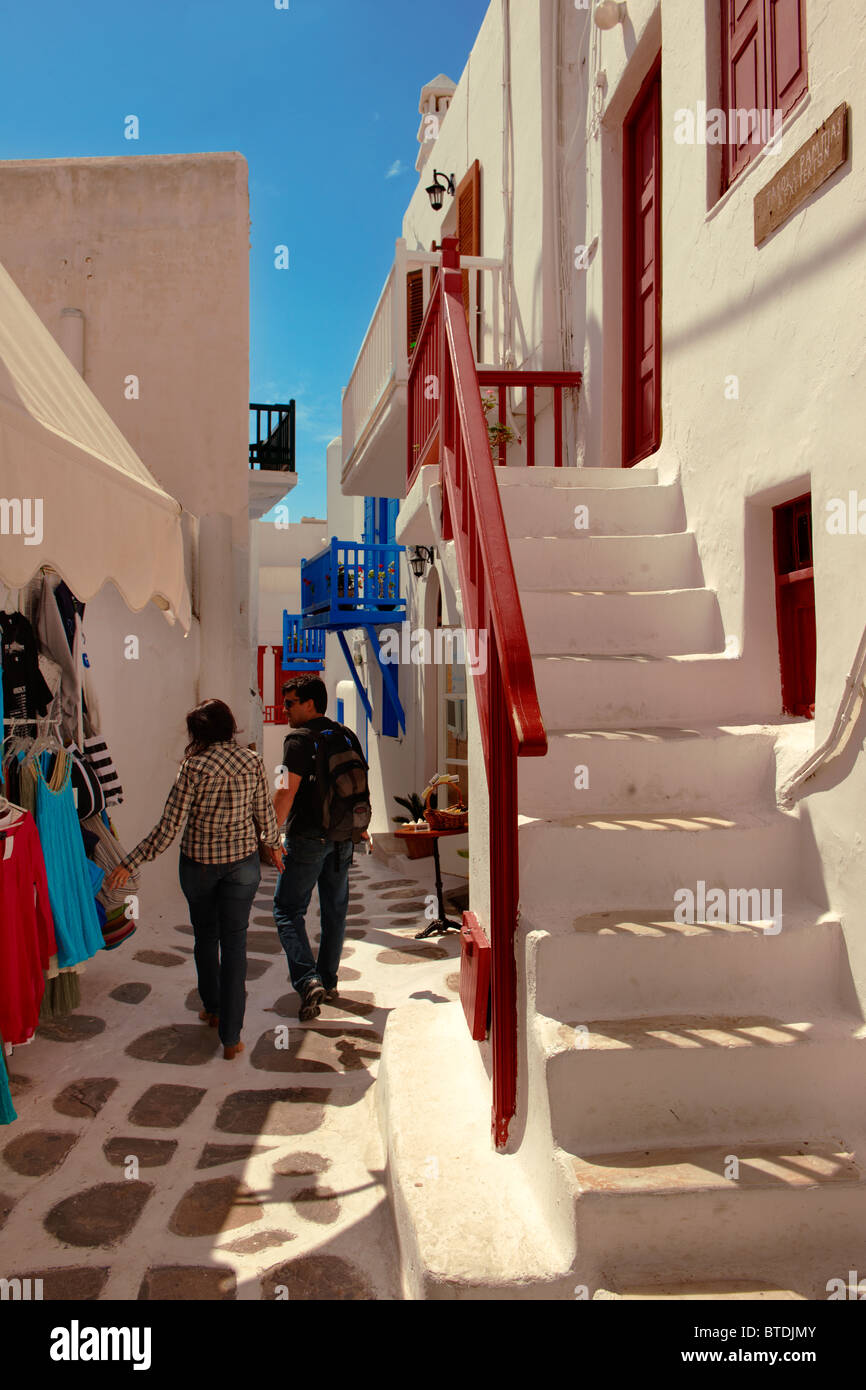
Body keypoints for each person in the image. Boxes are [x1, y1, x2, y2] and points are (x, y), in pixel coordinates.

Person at [105, 698, 283, 1059]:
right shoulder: (252, 762)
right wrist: (275, 847)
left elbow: (169, 826)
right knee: (235, 945)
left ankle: (213, 1009)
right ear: (229, 726)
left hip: (199, 865)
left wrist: (132, 860)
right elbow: (264, 813)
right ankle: (232, 1039)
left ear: (199, 732)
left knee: (205, 935)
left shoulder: (193, 767)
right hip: (242, 865)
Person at [272, 675, 367, 1021]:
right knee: (334, 912)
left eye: (290, 703)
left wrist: (270, 836)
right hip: (343, 837)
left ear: (310, 703)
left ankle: (307, 978)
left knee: (286, 910)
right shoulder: (346, 735)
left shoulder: (296, 741)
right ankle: (327, 979)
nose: (285, 710)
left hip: (309, 838)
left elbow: (285, 791)